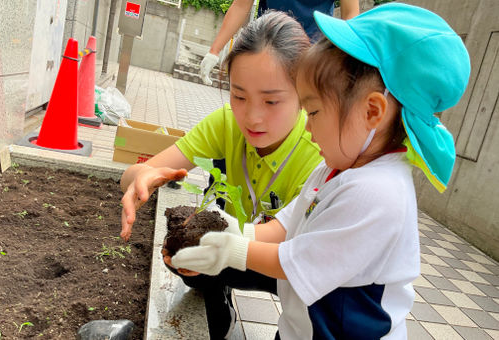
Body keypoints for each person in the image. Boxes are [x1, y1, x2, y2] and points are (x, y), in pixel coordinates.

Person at [171, 3, 471, 339]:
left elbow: (296, 261)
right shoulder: (336, 168)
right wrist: (232, 235)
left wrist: (230, 250)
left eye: (313, 112)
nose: (308, 129)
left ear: (372, 111)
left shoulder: (379, 192)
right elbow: (287, 224)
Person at [120, 11, 323, 339]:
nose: (252, 117)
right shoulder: (226, 122)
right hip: (234, 246)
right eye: (239, 96)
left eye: (271, 101)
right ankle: (217, 307)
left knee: (315, 297)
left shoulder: (318, 150)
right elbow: (136, 173)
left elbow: (311, 256)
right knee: (180, 250)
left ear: (303, 96)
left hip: (285, 264)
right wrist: (140, 178)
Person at [200, 0, 360, 85]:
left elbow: (351, 13)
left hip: (311, 58)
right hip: (267, 50)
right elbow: (241, 5)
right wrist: (214, 51)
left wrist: (346, 62)